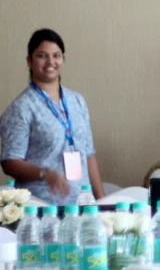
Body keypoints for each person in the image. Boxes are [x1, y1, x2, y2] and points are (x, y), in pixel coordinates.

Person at [0, 29, 105, 205]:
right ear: (29, 61)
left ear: (62, 59)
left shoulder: (77, 101)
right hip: (42, 206)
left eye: (56, 55)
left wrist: (102, 202)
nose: (50, 62)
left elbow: (88, 155)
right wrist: (44, 174)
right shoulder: (21, 108)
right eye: (42, 56)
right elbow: (9, 161)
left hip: (83, 204)